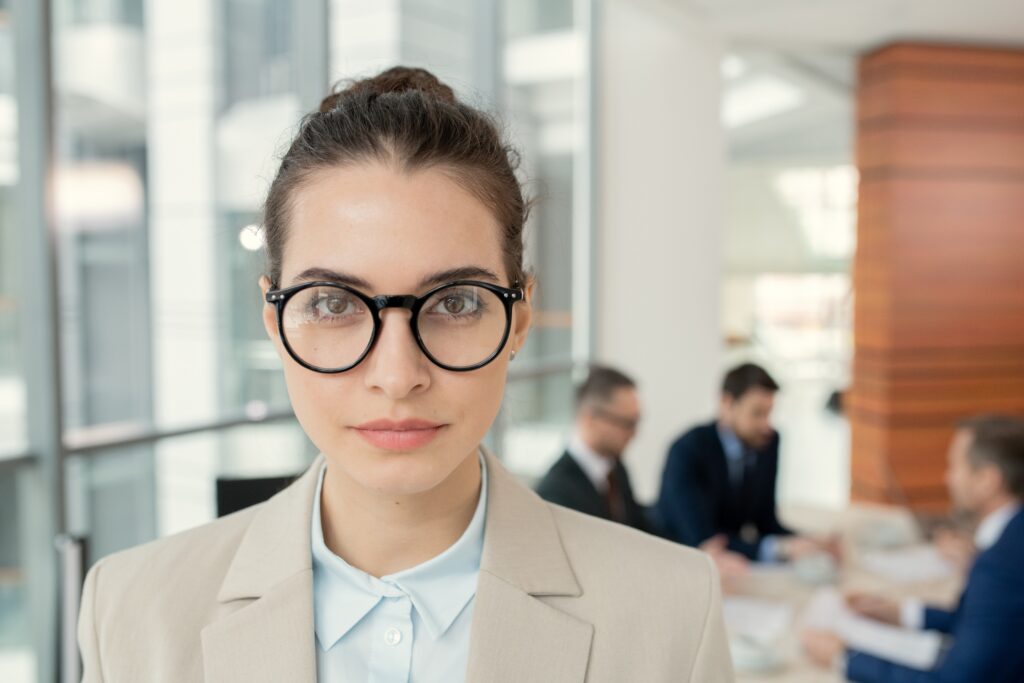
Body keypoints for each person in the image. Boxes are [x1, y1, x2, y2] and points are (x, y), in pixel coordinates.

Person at [77, 67, 733, 682]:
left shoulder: (672, 612)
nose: (397, 376)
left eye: (457, 303)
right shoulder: (132, 611)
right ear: (275, 322)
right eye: (332, 304)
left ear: (519, 319)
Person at [802, 415, 1024, 682]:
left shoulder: (1000, 565)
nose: (947, 479)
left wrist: (843, 657)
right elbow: (978, 622)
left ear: (987, 480)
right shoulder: (1011, 538)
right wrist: (900, 613)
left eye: (955, 467)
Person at [654, 363, 830, 562]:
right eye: (757, 413)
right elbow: (702, 539)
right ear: (727, 403)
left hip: (728, 559)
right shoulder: (687, 449)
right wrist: (780, 549)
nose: (766, 425)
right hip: (676, 560)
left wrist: (809, 541)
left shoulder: (767, 443)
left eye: (769, 413)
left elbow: (766, 522)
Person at [535, 365, 651, 531]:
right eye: (627, 423)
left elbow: (637, 525)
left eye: (636, 422)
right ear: (590, 419)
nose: (634, 433)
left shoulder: (615, 467)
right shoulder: (556, 493)